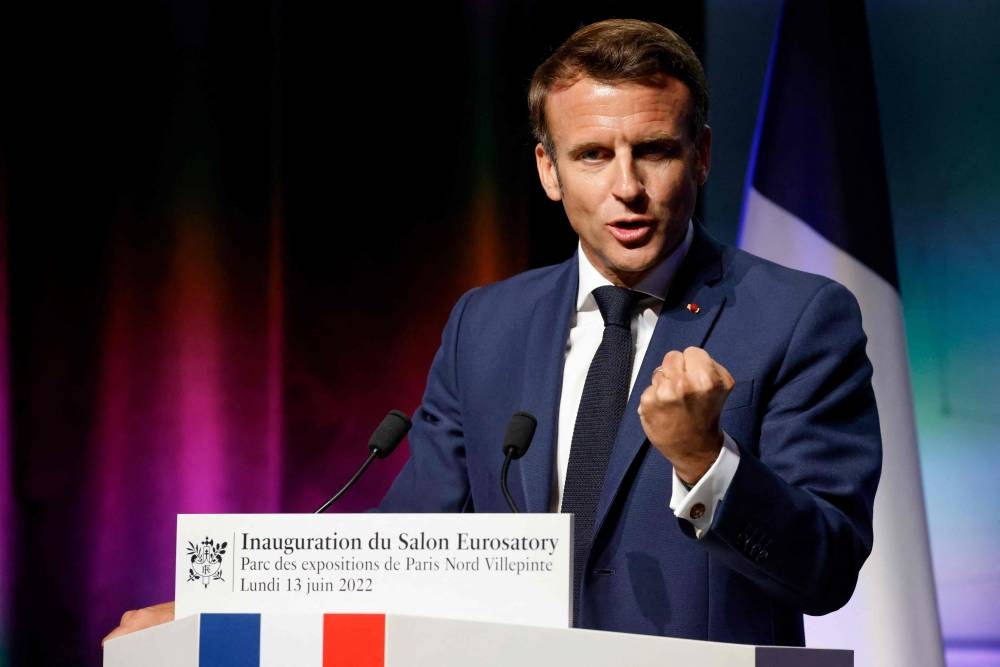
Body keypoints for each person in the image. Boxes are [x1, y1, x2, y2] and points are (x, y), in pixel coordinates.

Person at [104, 18, 881, 646]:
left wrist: (707, 462)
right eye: (592, 155)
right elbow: (402, 547)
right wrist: (218, 610)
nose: (627, 187)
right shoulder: (487, 323)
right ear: (548, 169)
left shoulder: (800, 317)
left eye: (654, 150)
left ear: (701, 155)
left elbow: (828, 568)